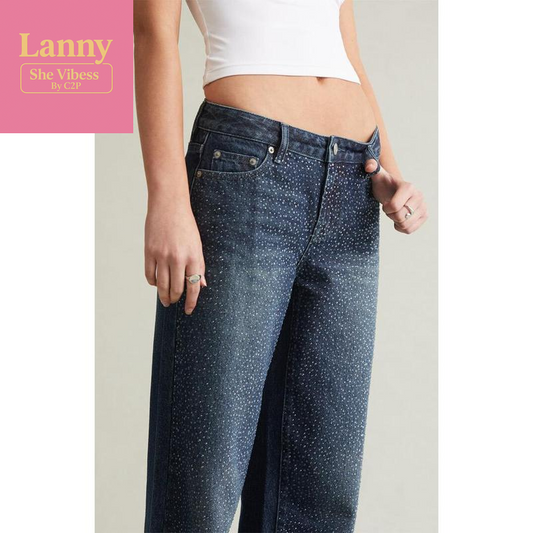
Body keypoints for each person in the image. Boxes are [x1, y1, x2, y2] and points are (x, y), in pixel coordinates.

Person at [135, 0, 428, 531]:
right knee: (200, 482)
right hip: (244, 169)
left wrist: (391, 170)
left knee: (319, 488)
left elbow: (347, 52)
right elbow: (153, 32)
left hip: (354, 181)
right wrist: (168, 199)